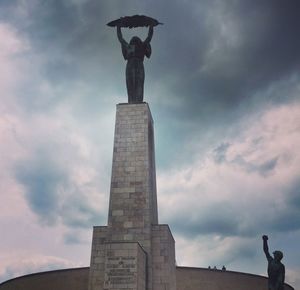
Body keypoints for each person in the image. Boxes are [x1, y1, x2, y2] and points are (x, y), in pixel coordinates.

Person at [117, 25, 153, 103]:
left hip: (137, 65)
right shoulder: (129, 46)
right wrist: (118, 26)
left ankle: (138, 101)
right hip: (131, 65)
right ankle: (131, 101)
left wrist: (151, 26)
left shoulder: (141, 46)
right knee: (130, 84)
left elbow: (149, 37)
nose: (134, 40)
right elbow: (121, 39)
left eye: (136, 40)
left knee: (138, 84)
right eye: (133, 40)